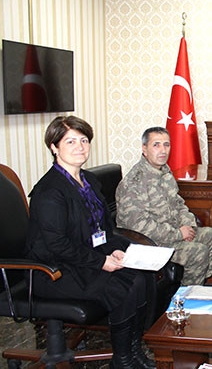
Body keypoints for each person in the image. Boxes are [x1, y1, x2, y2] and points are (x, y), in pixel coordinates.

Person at [25, 116, 155, 369]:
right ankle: (122, 360)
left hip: (82, 259)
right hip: (52, 271)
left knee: (141, 277)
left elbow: (103, 229)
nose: (80, 147)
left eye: (84, 140)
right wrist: (101, 261)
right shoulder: (49, 191)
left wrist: (115, 250)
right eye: (70, 141)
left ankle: (134, 352)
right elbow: (57, 245)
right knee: (123, 287)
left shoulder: (89, 181)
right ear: (54, 147)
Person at [116, 127, 212, 286]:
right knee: (198, 252)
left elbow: (178, 203)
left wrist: (188, 225)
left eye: (166, 145)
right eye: (156, 145)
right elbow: (139, 227)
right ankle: (185, 296)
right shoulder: (134, 183)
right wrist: (178, 234)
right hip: (149, 243)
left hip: (172, 233)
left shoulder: (165, 172)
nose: (163, 150)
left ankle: (192, 286)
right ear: (144, 149)